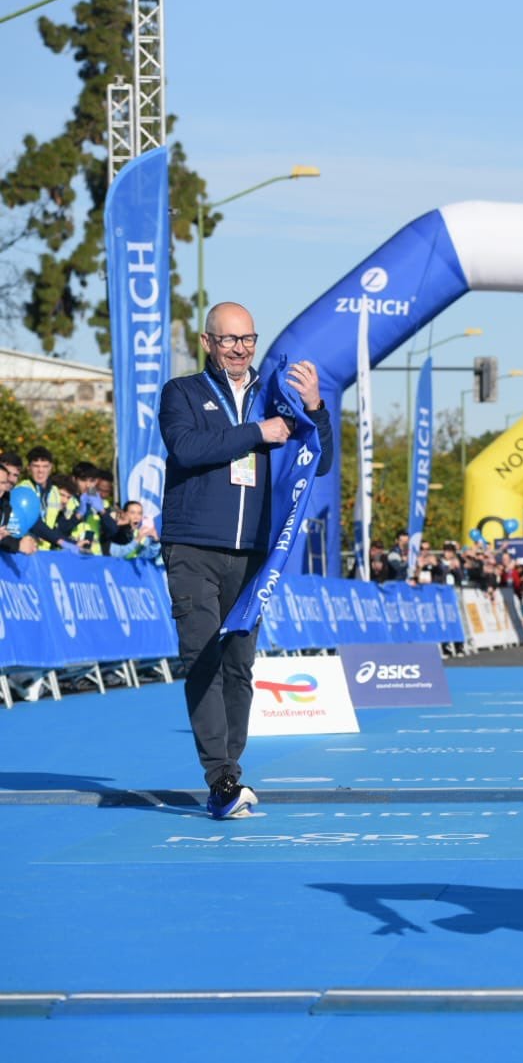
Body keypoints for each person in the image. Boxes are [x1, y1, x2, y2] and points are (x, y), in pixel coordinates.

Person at [158, 302, 335, 820]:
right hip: (193, 547)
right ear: (207, 342)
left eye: (247, 339)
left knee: (239, 666)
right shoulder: (182, 392)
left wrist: (316, 408)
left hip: (254, 555)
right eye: (229, 340)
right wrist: (258, 432)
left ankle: (231, 772)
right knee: (202, 660)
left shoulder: (273, 393)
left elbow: (320, 461)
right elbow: (186, 448)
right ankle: (220, 779)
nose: (239, 349)